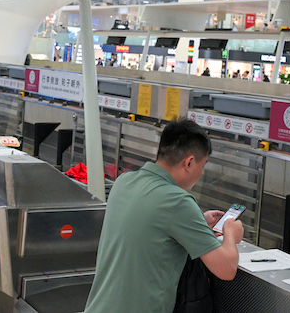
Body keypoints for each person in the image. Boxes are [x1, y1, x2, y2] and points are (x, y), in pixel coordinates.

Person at [85, 118, 244, 313]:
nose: (200, 173)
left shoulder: (124, 182)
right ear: (189, 163)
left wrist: (198, 222)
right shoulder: (178, 201)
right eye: (202, 166)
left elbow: (149, 228)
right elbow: (226, 269)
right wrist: (230, 234)